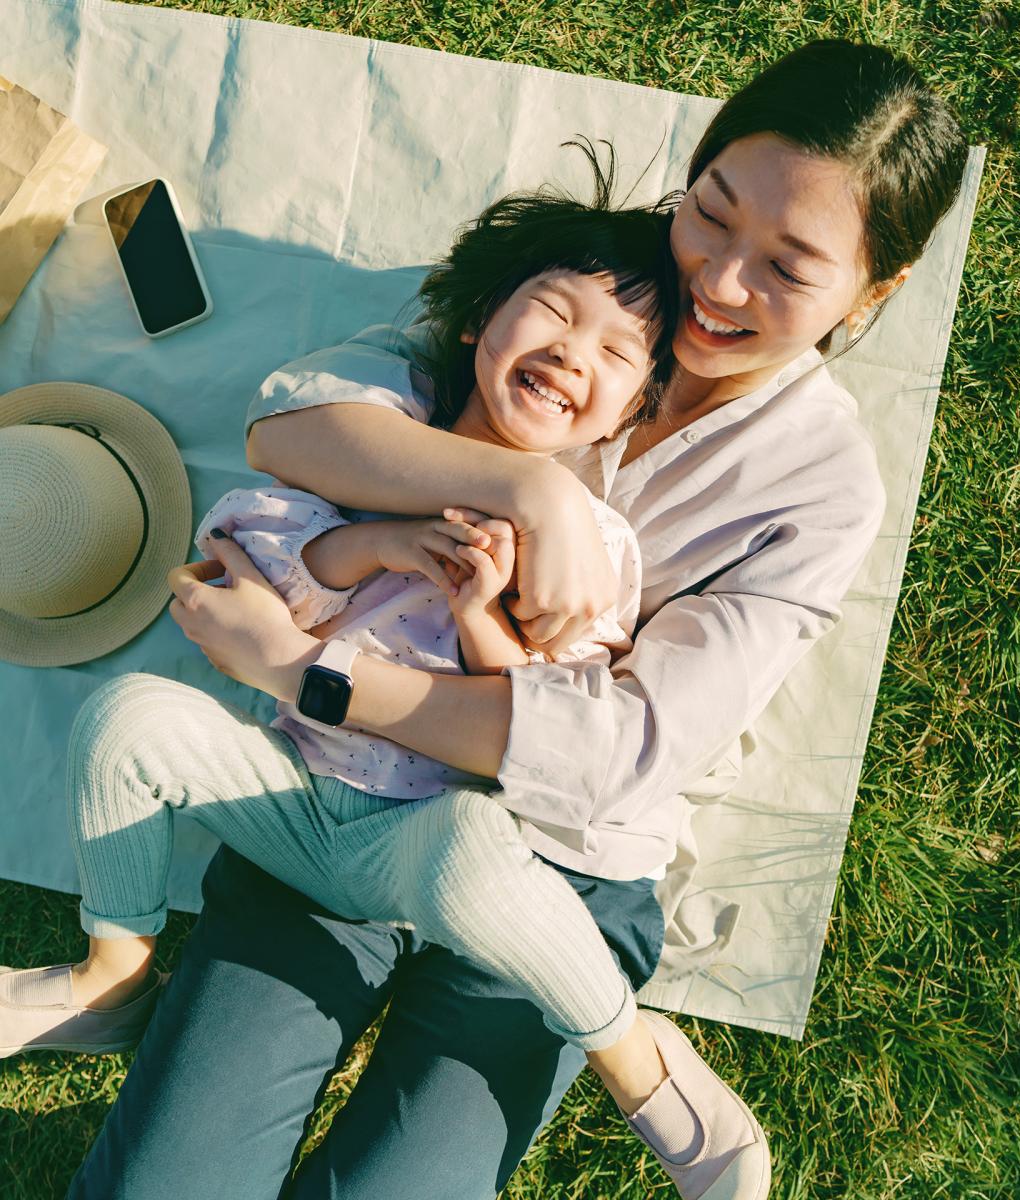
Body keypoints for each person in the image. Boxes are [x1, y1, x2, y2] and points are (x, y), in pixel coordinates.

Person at [51, 38, 964, 1199]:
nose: (719, 283)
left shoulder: (820, 489)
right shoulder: (583, 279)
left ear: (873, 292)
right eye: (714, 211)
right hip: (334, 807)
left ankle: (641, 1067)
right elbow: (295, 424)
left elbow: (618, 753)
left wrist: (306, 675)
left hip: (555, 874)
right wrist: (526, 485)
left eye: (788, 266)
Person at [1, 167, 772, 1199]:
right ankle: (112, 975)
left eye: (615, 352)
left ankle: (639, 1065)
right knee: (131, 715)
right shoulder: (371, 451)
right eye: (549, 310)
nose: (568, 351)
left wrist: (478, 620)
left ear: (628, 413)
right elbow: (258, 569)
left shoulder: (594, 545)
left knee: (473, 854)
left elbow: (550, 726)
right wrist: (381, 544)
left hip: (423, 838)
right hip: (295, 806)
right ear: (473, 324)